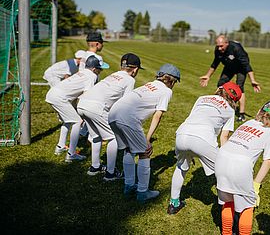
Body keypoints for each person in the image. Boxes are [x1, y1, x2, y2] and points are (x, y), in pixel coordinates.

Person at [108, 64, 181, 202]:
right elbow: (158, 115)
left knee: (128, 150)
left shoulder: (149, 84)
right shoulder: (166, 91)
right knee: (145, 152)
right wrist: (147, 139)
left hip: (113, 114)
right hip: (127, 118)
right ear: (171, 81)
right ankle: (142, 192)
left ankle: (129, 186)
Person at [167, 82, 242, 215]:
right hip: (202, 139)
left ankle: (174, 204)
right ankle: (227, 212)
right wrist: (226, 159)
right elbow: (224, 137)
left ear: (220, 89)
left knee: (181, 167)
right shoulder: (230, 110)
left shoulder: (201, 98)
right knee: (223, 172)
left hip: (182, 134)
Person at [215, 100, 270, 235]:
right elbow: (268, 161)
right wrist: (256, 184)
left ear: (261, 111)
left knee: (228, 201)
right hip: (240, 165)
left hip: (221, 157)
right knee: (248, 206)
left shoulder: (247, 122)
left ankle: (226, 233)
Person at [77, 53, 142, 179]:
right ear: (135, 69)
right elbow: (125, 103)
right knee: (113, 138)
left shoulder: (114, 74)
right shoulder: (130, 80)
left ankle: (95, 167)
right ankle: (110, 173)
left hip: (82, 104)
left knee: (95, 135)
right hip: (97, 107)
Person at [45, 54, 109, 161]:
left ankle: (60, 147)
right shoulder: (92, 76)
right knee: (77, 122)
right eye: (99, 69)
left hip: (52, 94)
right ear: (94, 69)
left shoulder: (83, 72)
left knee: (68, 120)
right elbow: (87, 96)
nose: (101, 71)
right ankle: (71, 154)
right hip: (60, 98)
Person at [199, 35, 261, 122]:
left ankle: (241, 115)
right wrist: (208, 76)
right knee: (221, 84)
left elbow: (246, 66)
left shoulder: (236, 49)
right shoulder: (218, 50)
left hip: (241, 68)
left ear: (227, 43)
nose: (219, 48)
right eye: (218, 46)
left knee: (240, 88)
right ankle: (217, 106)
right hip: (229, 66)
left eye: (221, 46)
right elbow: (215, 63)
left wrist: (252, 80)